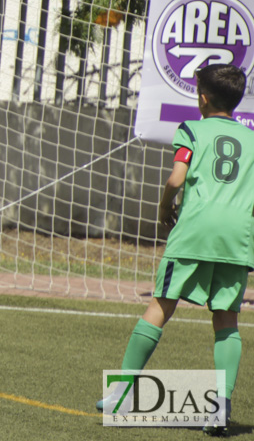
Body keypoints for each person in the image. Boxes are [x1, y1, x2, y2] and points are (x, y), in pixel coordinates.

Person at [97, 64, 254, 435]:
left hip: (195, 232)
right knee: (227, 319)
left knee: (160, 306)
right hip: (238, 237)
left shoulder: (191, 130)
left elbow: (176, 177)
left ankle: (121, 390)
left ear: (202, 97)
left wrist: (165, 205)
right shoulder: (252, 139)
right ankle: (220, 407)